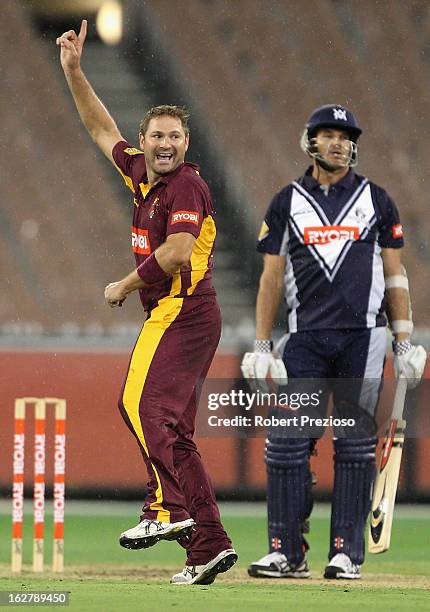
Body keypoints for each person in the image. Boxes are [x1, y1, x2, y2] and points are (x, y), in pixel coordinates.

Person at [56, 20, 237, 585]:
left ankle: (166, 510)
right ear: (146, 140)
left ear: (186, 145)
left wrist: (122, 285)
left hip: (183, 310)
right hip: (185, 315)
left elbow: (180, 251)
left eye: (174, 138)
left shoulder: (186, 186)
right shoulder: (140, 174)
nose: (164, 145)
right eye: (156, 136)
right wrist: (75, 72)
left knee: (137, 405)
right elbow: (99, 127)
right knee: (173, 431)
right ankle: (207, 546)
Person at [241, 104, 426, 579]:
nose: (339, 143)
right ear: (310, 141)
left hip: (363, 341)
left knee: (355, 446)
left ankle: (346, 552)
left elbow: (395, 275)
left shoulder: (377, 201)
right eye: (329, 134)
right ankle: (286, 550)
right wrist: (262, 346)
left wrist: (403, 342)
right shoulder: (286, 202)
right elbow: (269, 280)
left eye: (345, 136)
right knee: (285, 444)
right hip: (303, 341)